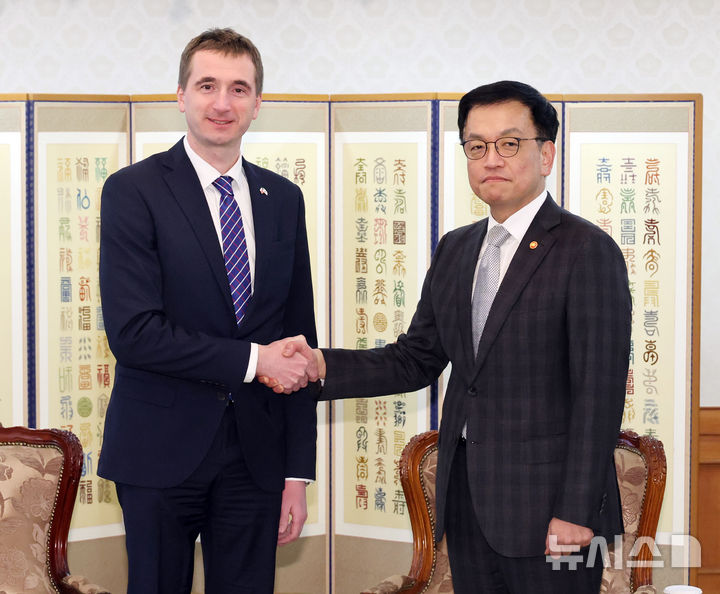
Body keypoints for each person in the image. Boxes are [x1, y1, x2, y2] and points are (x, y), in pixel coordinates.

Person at [267, 80, 632, 593]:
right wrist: (319, 365)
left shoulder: (586, 250)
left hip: (553, 511)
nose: (491, 159)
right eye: (476, 146)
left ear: (546, 154)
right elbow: (415, 359)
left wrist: (576, 511)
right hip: (467, 504)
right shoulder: (457, 249)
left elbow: (599, 394)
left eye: (510, 143)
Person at [97, 28, 318, 594]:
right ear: (181, 95)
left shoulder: (283, 199)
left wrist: (297, 473)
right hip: (158, 450)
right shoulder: (134, 190)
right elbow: (134, 332)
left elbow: (299, 341)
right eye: (207, 85)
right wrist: (255, 361)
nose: (223, 102)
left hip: (257, 457)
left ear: (257, 103)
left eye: (239, 88)